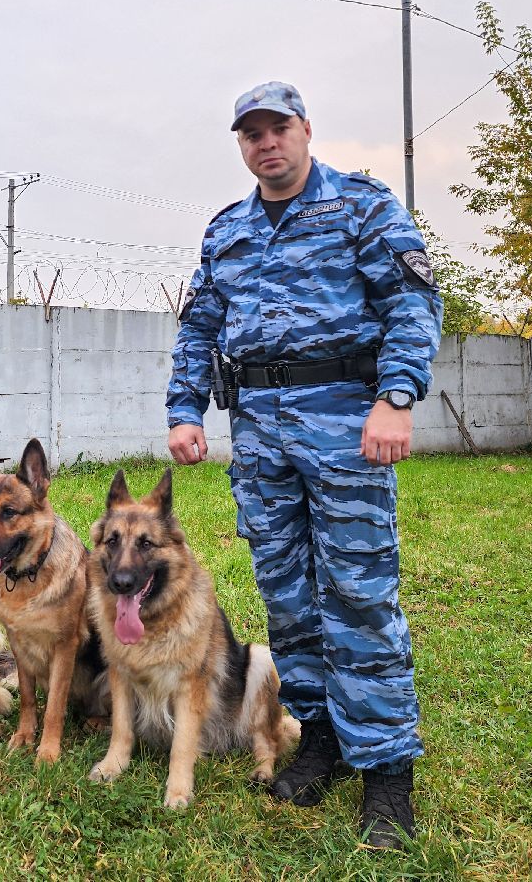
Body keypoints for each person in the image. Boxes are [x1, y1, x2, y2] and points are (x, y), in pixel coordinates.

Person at [165, 81, 441, 850]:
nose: (266, 144)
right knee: (287, 597)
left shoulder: (360, 205)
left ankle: (386, 771)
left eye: (277, 128)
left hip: (347, 424)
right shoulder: (227, 233)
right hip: (260, 435)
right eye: (251, 134)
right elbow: (200, 329)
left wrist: (395, 395)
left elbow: (413, 302)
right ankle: (319, 736)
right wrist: (184, 409)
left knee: (358, 591)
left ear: (306, 129)